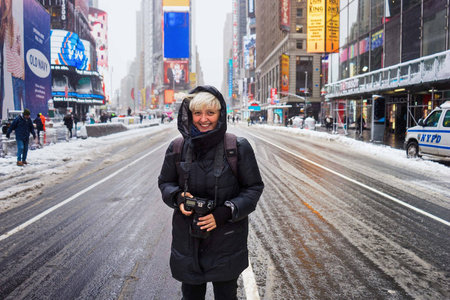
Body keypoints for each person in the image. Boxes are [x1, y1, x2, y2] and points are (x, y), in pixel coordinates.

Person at [158, 85, 264, 300]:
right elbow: (165, 182)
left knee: (226, 295)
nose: (203, 119)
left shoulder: (237, 147)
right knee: (191, 296)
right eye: (197, 113)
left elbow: (253, 188)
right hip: (188, 239)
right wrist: (178, 198)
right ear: (189, 114)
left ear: (220, 114)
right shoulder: (177, 147)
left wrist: (223, 213)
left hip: (226, 240)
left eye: (210, 113)